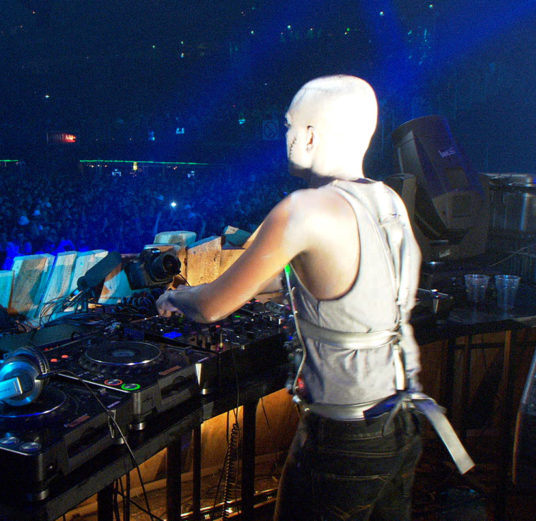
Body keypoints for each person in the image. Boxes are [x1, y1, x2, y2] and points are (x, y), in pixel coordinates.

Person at [156, 75, 471, 520]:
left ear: (309, 134)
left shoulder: (303, 209)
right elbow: (330, 277)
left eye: (289, 125)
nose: (285, 135)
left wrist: (178, 298)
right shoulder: (389, 202)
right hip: (399, 422)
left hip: (343, 439)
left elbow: (211, 307)